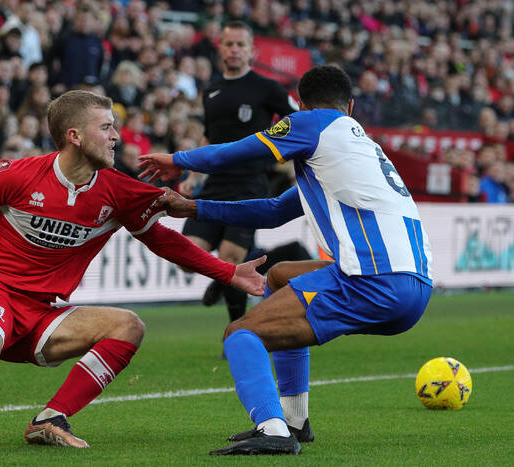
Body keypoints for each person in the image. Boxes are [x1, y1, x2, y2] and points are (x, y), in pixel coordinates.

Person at [0, 90, 266, 454]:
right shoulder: (16, 174)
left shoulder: (119, 190)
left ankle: (50, 420)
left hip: (43, 311)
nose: (115, 136)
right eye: (105, 127)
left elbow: (161, 239)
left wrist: (228, 272)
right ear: (75, 136)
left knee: (128, 326)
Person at [138, 65, 433, 456]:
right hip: (416, 285)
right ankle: (295, 420)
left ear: (300, 104)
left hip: (373, 280)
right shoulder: (356, 151)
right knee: (279, 275)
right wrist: (194, 207)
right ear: (351, 105)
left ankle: (273, 429)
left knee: (241, 334)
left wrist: (180, 159)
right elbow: (274, 210)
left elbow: (239, 149)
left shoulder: (313, 125)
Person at [182, 21, 297, 334]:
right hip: (215, 184)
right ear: (220, 47)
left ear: (251, 51)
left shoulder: (267, 88)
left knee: (232, 257)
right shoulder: (212, 91)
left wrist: (287, 156)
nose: (234, 50)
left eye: (240, 45)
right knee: (186, 253)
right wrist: (193, 176)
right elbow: (208, 138)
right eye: (229, 44)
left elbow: (299, 120)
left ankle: (237, 329)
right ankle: (224, 279)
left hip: (249, 184)